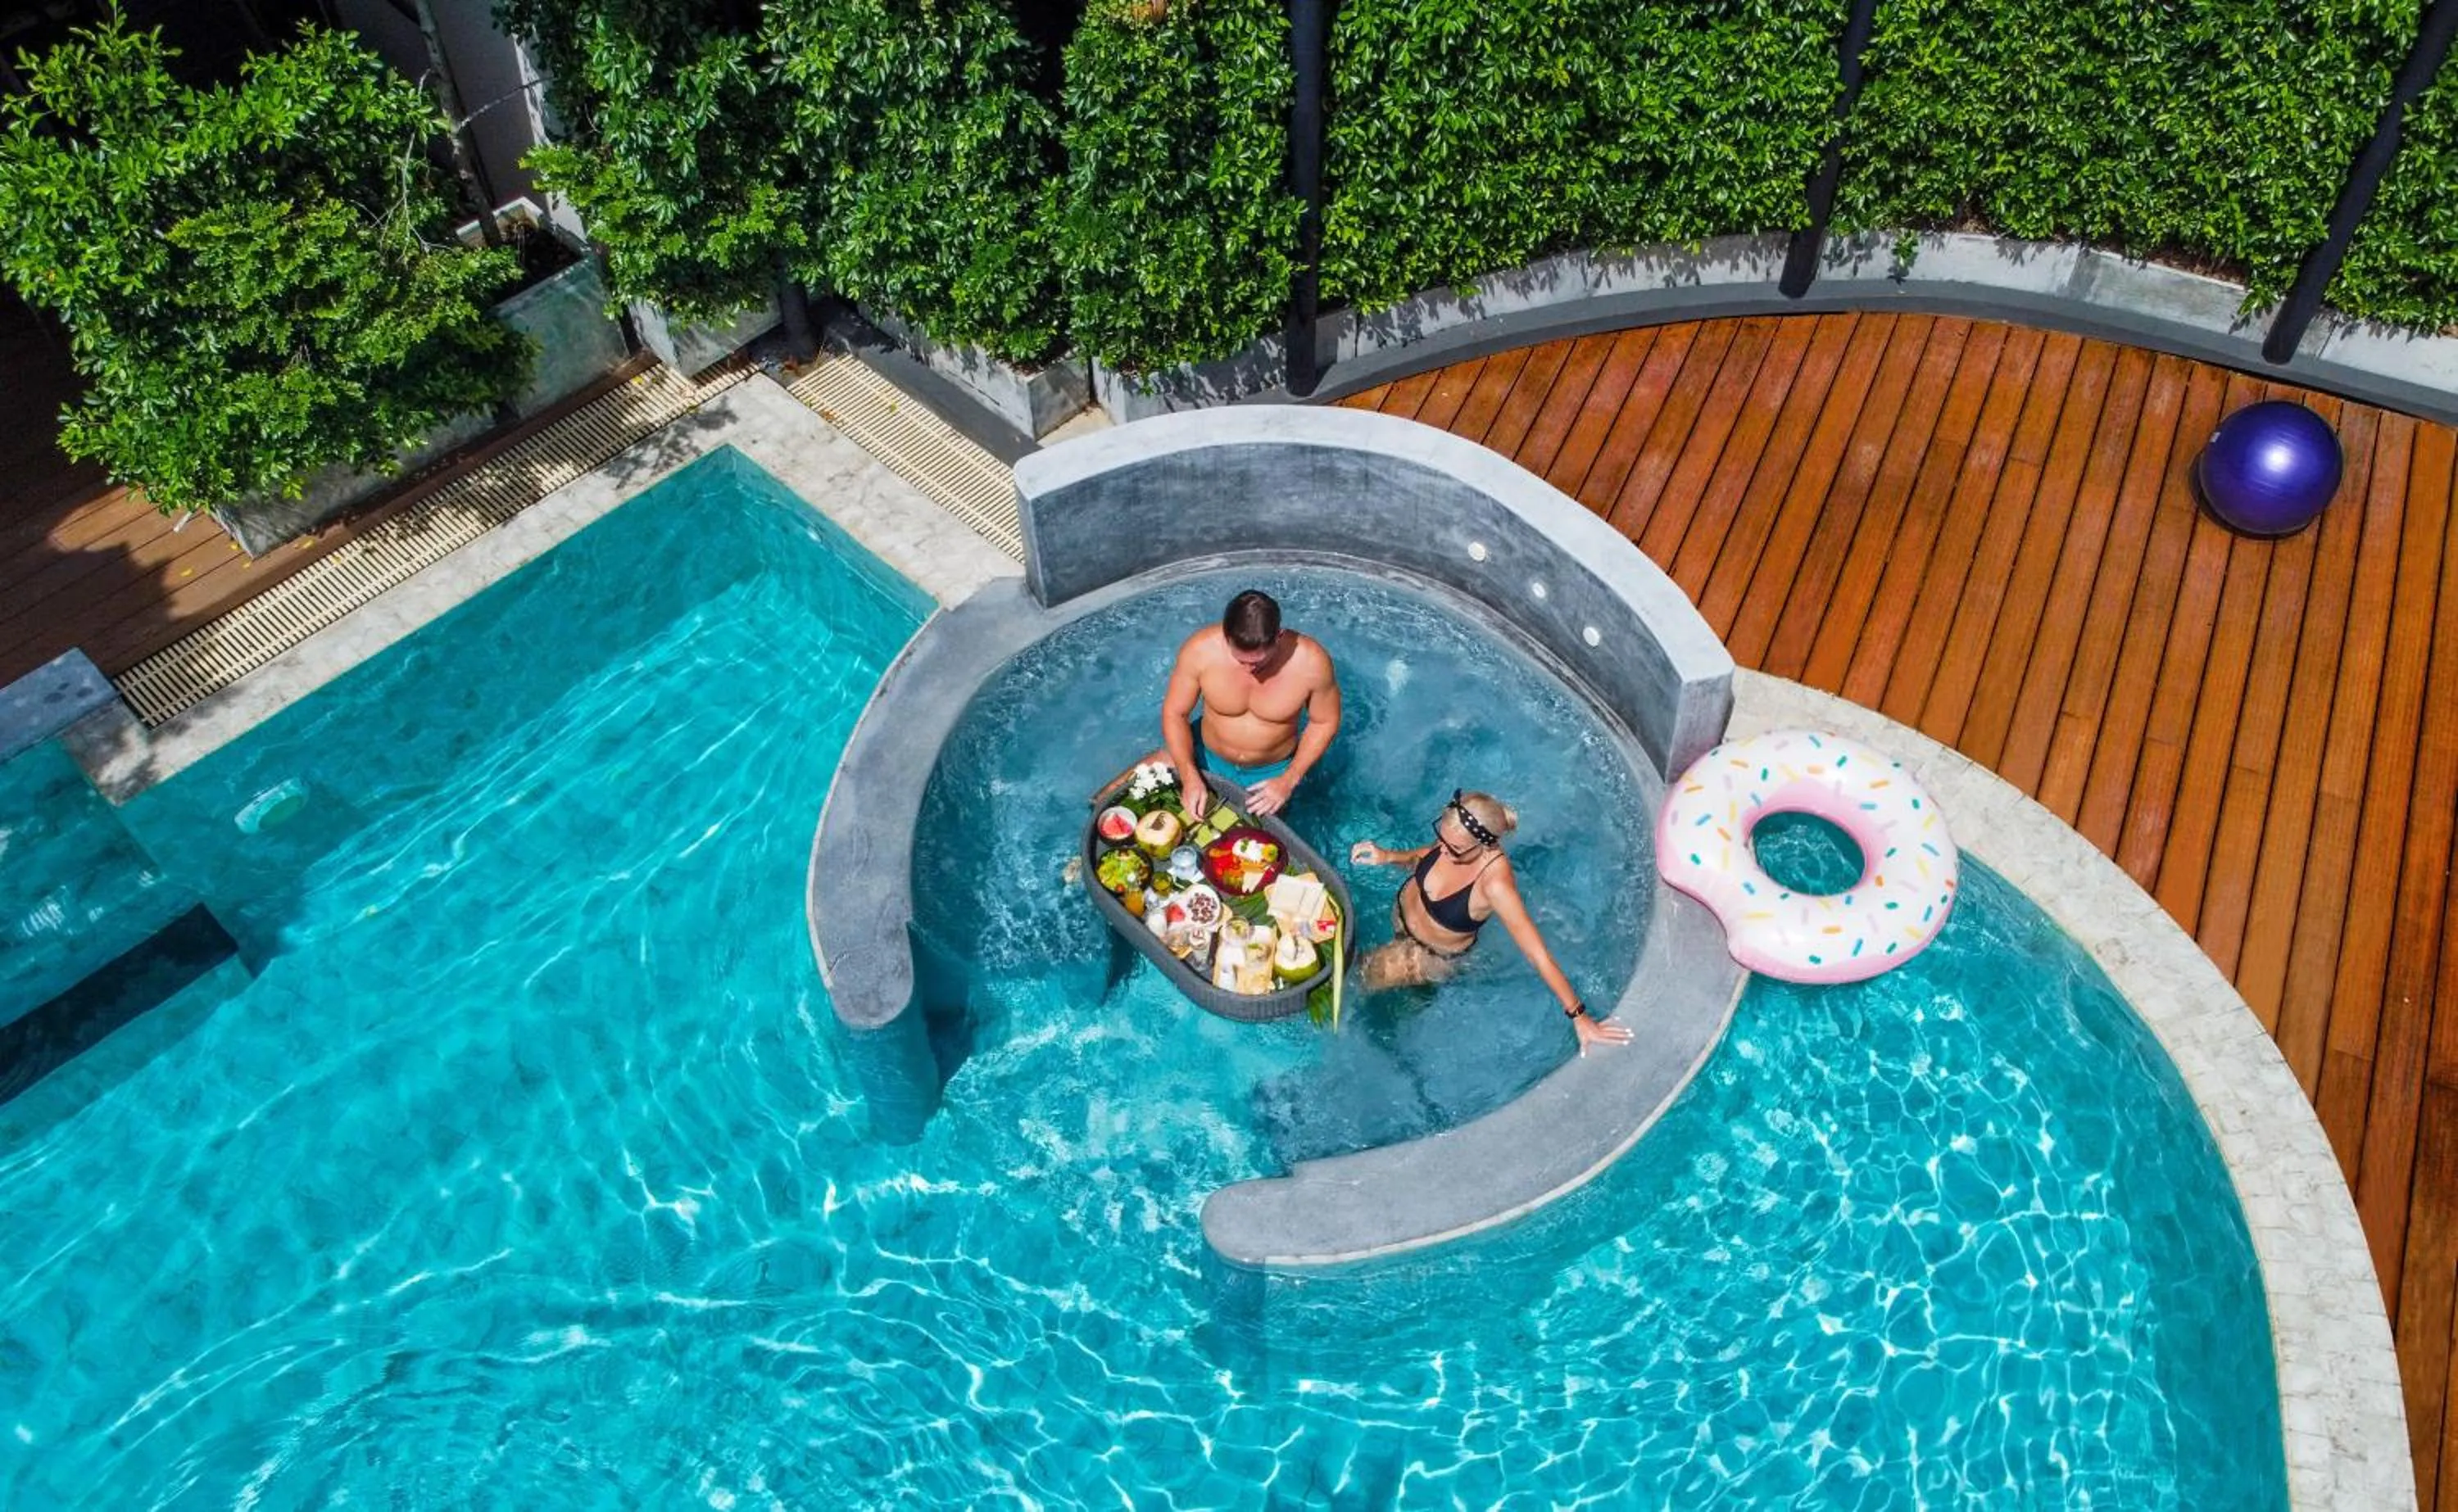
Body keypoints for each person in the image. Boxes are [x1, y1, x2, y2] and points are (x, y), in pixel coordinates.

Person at [1349, 790, 1635, 1055]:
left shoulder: (1495, 884)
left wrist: (1580, 1016)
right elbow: (1424, 856)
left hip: (1425, 955)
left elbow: (1538, 955)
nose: (1445, 850)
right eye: (1443, 840)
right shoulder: (1456, 837)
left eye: (1455, 849)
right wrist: (1388, 856)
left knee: (1354, 981)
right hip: (1403, 921)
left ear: (1484, 845)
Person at [1162, 589, 1340, 818]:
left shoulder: (1311, 663)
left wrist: (1289, 779)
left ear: (1279, 636)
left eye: (1258, 662)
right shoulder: (1200, 650)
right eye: (1240, 661)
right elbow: (1175, 713)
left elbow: (1324, 722)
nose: (1249, 670)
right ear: (1227, 638)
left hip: (1271, 772)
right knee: (1137, 781)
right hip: (1205, 753)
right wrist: (1189, 774)